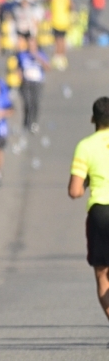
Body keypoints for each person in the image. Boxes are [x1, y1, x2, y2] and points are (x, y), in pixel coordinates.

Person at [68, 97, 109, 331]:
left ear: (93, 119)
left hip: (101, 213)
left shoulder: (86, 146)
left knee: (103, 274)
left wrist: (85, 183)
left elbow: (75, 191)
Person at [17, 36, 49, 133]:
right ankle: (26, 121)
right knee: (27, 102)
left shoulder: (41, 54)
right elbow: (18, 67)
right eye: (29, 44)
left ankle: (33, 122)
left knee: (35, 103)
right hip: (26, 82)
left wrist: (37, 56)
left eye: (33, 44)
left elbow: (48, 67)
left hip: (37, 82)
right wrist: (20, 76)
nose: (31, 46)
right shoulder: (22, 55)